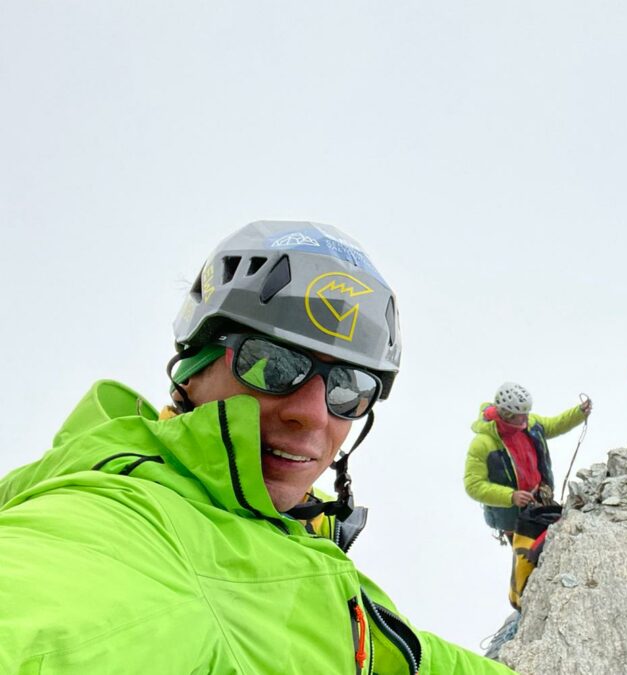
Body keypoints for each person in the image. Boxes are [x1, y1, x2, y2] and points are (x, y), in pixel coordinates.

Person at [0, 220, 514, 674]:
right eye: (271, 363)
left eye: (349, 388)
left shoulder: (282, 542)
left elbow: (398, 653)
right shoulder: (128, 527)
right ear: (193, 368)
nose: (312, 413)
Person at [464, 382, 590, 539]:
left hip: (539, 500)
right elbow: (473, 485)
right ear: (508, 414)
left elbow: (553, 425)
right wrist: (511, 496)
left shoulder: (529, 424)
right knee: (525, 557)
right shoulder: (482, 444)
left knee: (541, 550)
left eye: (527, 412)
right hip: (512, 517)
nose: (526, 417)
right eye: (521, 414)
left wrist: (578, 413)